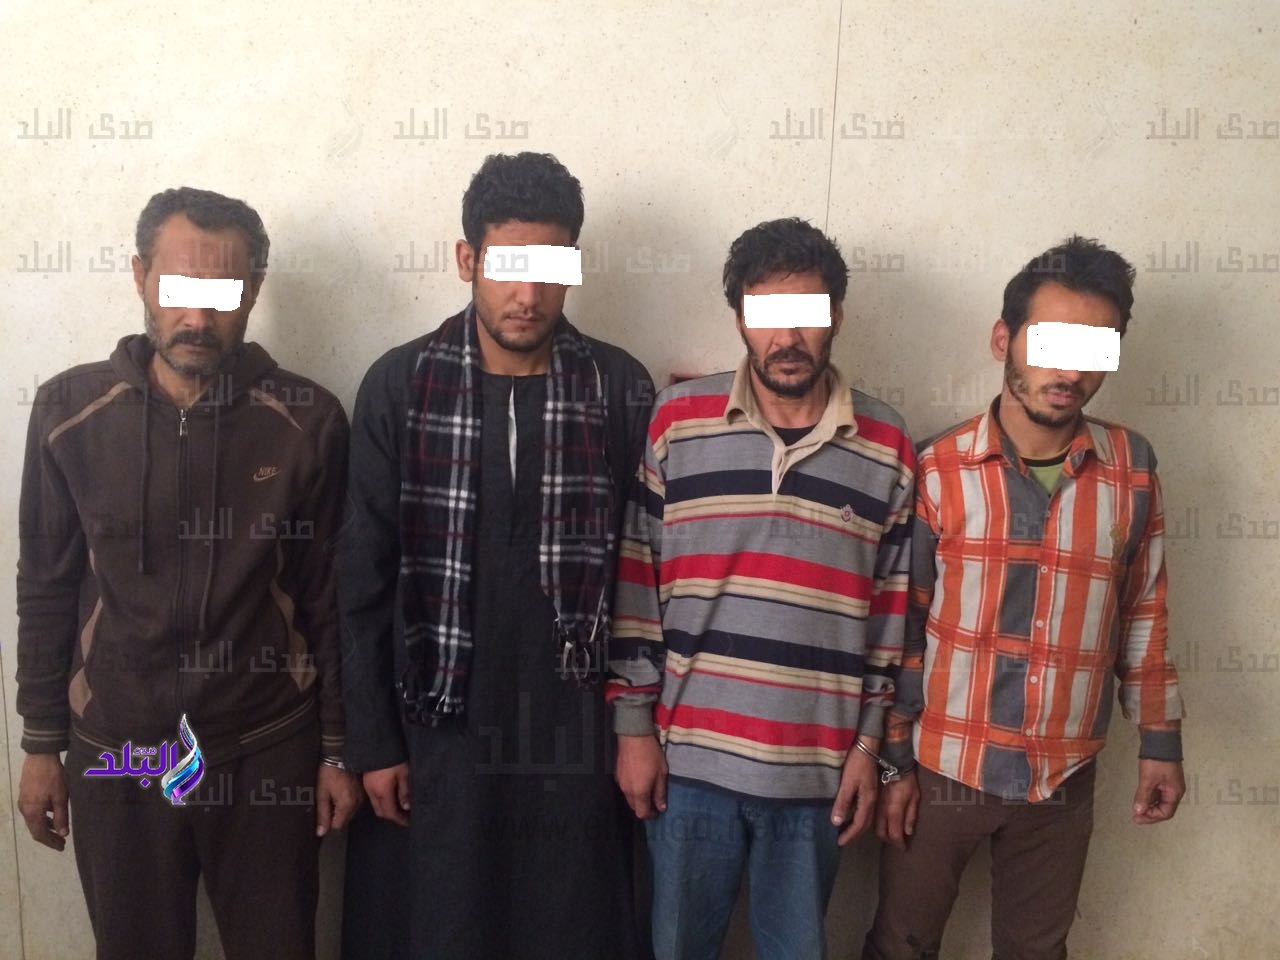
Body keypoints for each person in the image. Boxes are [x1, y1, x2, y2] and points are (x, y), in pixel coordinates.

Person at [15, 186, 360, 960]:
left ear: (254, 292)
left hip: (266, 745)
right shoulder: (70, 412)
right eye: (178, 288)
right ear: (141, 276)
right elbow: (44, 583)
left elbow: (330, 597)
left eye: (223, 293)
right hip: (118, 752)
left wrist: (337, 750)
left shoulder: (307, 420)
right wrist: (40, 744)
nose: (198, 318)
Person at [340, 151, 655, 960]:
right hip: (438, 731)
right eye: (508, 268)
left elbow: (643, 575)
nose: (527, 296)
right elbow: (363, 582)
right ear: (467, 259)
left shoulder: (618, 388)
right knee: (444, 925)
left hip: (573, 736)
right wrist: (373, 743)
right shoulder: (400, 386)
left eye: (548, 269)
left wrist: (636, 730)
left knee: (570, 929)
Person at [864, 236, 1187, 960]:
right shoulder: (938, 468)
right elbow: (904, 629)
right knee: (901, 942)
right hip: (944, 767)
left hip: (1062, 777)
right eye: (1050, 344)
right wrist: (894, 764)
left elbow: (1143, 611)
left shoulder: (1132, 469)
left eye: (1094, 349)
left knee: (1037, 951)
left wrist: (1160, 743)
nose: (1069, 372)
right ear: (1002, 339)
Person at [610, 217, 917, 960]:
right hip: (688, 767)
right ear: (739, 319)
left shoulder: (887, 445)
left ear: (836, 315)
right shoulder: (678, 423)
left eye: (806, 314)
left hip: (818, 775)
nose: (787, 338)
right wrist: (632, 731)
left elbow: (891, 618)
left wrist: (869, 748)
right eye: (766, 314)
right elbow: (637, 585)